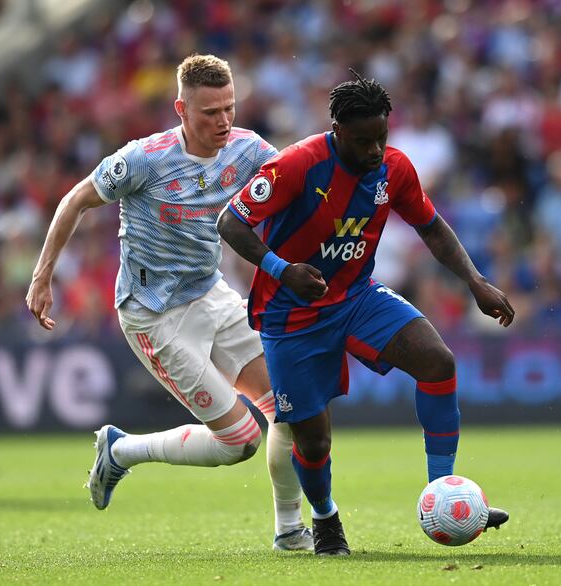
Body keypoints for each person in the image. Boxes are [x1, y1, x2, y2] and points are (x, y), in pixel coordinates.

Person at [218, 71, 515, 556]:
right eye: (363, 141)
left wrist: (475, 280)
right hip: (292, 315)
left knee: (438, 361)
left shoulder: (395, 168)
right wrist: (281, 268)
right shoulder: (297, 165)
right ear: (336, 130)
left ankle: (441, 493)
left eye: (382, 137)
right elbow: (230, 221)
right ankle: (324, 518)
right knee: (312, 443)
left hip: (357, 297)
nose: (376, 150)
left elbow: (432, 227)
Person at [26, 54, 313, 551]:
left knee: (289, 406)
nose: (223, 121)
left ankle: (290, 531)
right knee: (240, 441)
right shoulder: (143, 159)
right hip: (153, 314)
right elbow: (75, 199)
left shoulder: (246, 149)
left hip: (212, 294)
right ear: (181, 108)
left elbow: (300, 183)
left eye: (229, 108)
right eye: (209, 112)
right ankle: (122, 450)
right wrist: (42, 276)